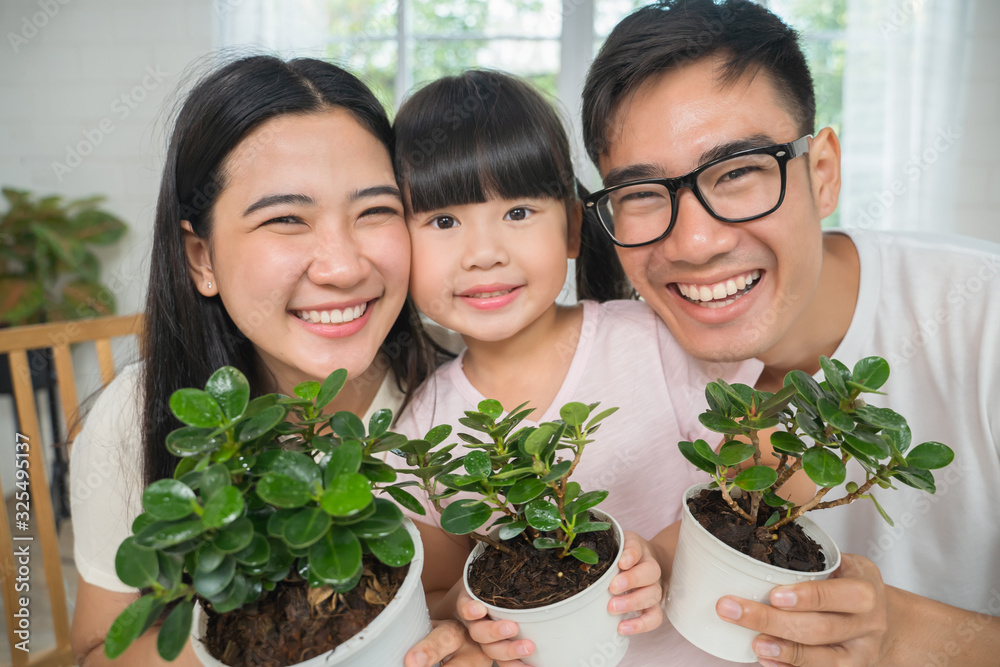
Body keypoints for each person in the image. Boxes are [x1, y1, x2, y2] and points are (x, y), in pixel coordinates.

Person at [578, 1, 1000, 665]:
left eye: (739, 171)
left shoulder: (983, 322)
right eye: (642, 194)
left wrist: (898, 634)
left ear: (822, 171)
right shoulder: (610, 362)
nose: (694, 243)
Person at [69, 54, 491, 667]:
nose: (343, 266)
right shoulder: (134, 419)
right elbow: (93, 650)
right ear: (201, 259)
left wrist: (465, 631)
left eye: (375, 211)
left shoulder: (468, 393)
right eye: (286, 219)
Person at [390, 69, 763, 666]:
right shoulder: (423, 428)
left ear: (569, 226)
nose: (484, 253)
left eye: (517, 213)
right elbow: (433, 592)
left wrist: (664, 558)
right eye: (442, 222)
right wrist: (466, 609)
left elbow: (767, 476)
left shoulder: (655, 341)